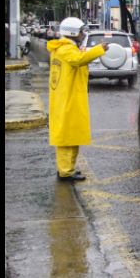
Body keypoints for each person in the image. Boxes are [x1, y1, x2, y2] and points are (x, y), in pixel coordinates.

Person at [47, 17, 109, 182]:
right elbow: (79, 60)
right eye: (81, 31)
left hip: (69, 98)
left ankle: (68, 169)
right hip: (67, 99)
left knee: (72, 135)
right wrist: (99, 49)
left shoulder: (67, 48)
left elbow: (79, 58)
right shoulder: (66, 49)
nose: (83, 34)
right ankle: (65, 172)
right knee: (66, 137)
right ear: (73, 32)